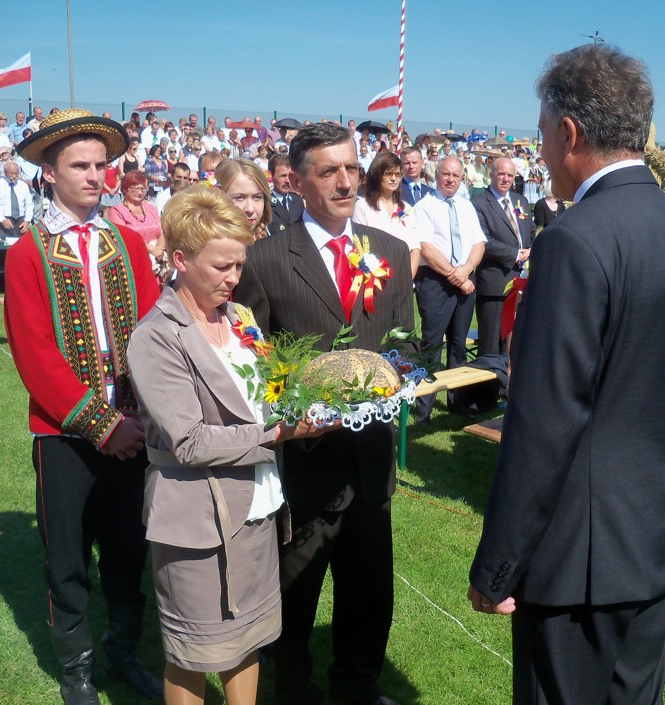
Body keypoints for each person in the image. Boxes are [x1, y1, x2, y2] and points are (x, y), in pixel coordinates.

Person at [467, 45, 665, 705]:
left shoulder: (573, 240)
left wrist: (497, 565)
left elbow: (545, 421)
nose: (541, 151)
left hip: (581, 558)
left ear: (570, 132)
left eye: (542, 133)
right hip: (661, 535)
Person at [126, 186, 335, 705]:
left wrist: (307, 406)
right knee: (194, 652)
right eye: (221, 266)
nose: (234, 278)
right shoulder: (156, 337)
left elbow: (268, 394)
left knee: (248, 640)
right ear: (179, 260)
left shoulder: (240, 318)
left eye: (239, 265)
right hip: (196, 521)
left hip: (256, 507)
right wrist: (281, 433)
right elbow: (191, 442)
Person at [233, 122, 413, 705]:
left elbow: (408, 342)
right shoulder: (264, 259)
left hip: (371, 459)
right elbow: (250, 359)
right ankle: (291, 686)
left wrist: (396, 377)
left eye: (352, 168)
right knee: (295, 589)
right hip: (304, 462)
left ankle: (358, 684)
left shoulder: (388, 250)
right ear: (296, 181)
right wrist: (297, 405)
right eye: (329, 170)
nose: (345, 182)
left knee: (369, 587)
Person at [4, 108, 163, 705]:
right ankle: (76, 673)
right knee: (67, 555)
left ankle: (123, 653)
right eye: (80, 165)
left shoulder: (126, 242)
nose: (96, 176)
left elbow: (151, 329)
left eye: (101, 165)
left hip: (135, 424)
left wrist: (140, 416)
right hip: (64, 433)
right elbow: (35, 354)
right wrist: (102, 426)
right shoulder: (27, 253)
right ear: (49, 172)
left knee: (129, 548)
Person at [411, 155, 487, 420]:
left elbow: (479, 243)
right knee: (432, 345)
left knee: (458, 344)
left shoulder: (466, 207)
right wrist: (458, 276)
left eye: (456, 175)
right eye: (446, 174)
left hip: (465, 281)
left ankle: (458, 403)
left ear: (462, 178)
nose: (451, 179)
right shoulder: (424, 206)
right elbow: (426, 248)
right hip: (435, 282)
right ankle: (424, 408)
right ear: (436, 175)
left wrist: (466, 272)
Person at [471, 157, 535, 356]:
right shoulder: (478, 203)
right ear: (491, 174)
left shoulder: (520, 201)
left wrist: (531, 250)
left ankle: (509, 377)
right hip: (494, 286)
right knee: (491, 347)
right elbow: (482, 241)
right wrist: (515, 254)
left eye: (510, 175)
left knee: (516, 346)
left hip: (521, 284)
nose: (506, 179)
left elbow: (531, 232)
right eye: (501, 174)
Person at [352, 151, 423, 277]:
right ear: (377, 175)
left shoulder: (407, 209)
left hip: (403, 277)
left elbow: (415, 250)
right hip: (374, 279)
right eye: (388, 174)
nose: (394, 178)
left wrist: (407, 280)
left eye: (397, 174)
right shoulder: (362, 206)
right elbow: (359, 249)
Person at [108, 171, 165, 279]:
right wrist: (151, 250)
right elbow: (125, 238)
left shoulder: (151, 208)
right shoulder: (116, 211)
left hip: (156, 265)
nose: (140, 192)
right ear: (125, 188)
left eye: (143, 188)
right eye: (135, 188)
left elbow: (162, 231)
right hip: (134, 265)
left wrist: (159, 250)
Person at [214, 158, 272, 241]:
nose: (250, 209)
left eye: (257, 197)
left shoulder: (275, 241)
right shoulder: (202, 247)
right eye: (239, 198)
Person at [0, 161, 31, 237]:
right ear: (5, 172)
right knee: (4, 244)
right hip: (3, 221)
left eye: (16, 174)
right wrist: (2, 220)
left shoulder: (23, 186)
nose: (14, 176)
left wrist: (27, 220)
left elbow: (29, 204)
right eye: (11, 173)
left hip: (21, 222)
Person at [267, 153, 303, 234]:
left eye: (290, 176)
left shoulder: (298, 201)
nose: (287, 181)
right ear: (271, 176)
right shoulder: (265, 205)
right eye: (283, 176)